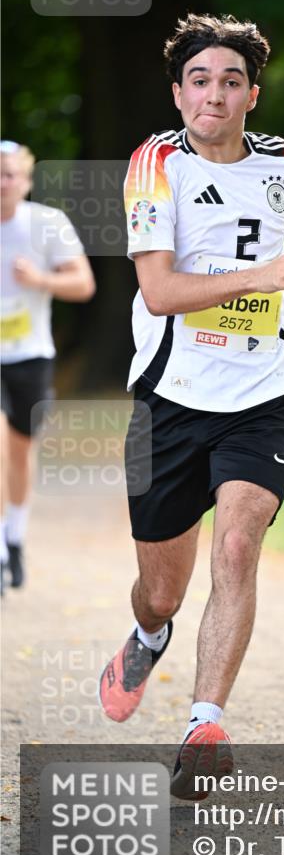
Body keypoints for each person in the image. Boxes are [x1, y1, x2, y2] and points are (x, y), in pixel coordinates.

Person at [98, 13, 284, 800]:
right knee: (162, 587)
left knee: (236, 551)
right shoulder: (152, 165)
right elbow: (158, 292)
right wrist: (260, 277)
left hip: (261, 392)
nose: (214, 95)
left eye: (231, 82)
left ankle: (204, 725)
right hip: (171, 397)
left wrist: (273, 281)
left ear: (252, 96)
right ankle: (148, 634)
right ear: (177, 91)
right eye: (200, 80)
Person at [1, 140, 95, 591]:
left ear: (26, 181)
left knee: (19, 452)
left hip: (30, 354)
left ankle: (14, 537)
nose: (2, 182)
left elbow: (83, 283)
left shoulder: (47, 224)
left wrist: (39, 279)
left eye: (9, 174)